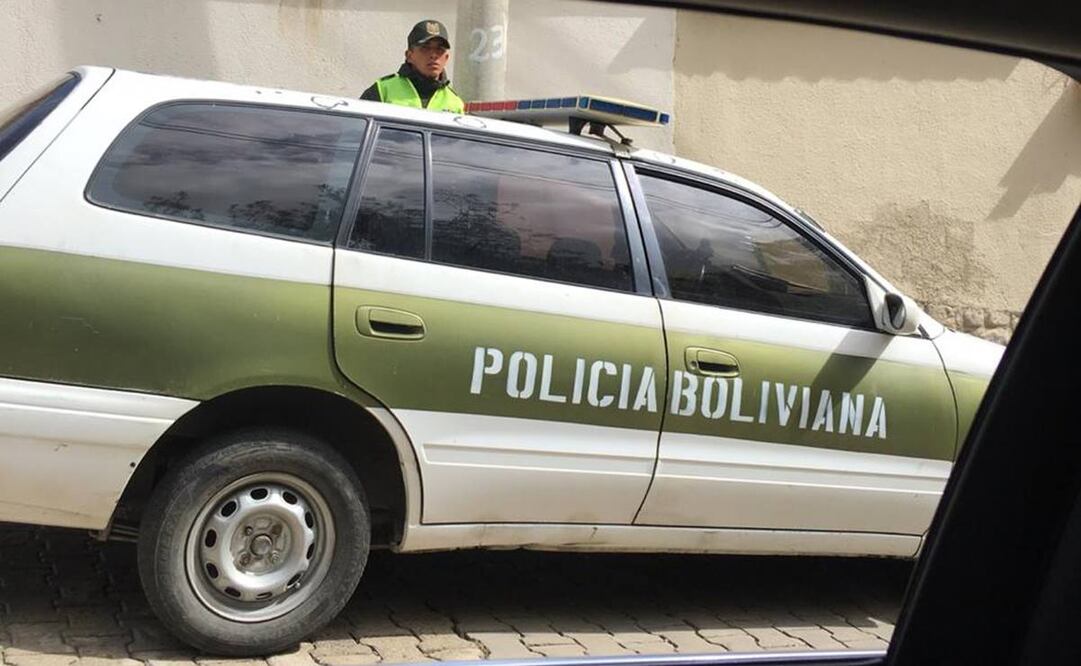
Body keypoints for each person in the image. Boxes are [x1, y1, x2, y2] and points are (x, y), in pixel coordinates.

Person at [361, 20, 465, 113]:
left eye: (439, 50)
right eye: (425, 48)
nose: (433, 55)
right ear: (409, 55)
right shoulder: (383, 90)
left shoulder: (455, 103)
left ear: (446, 58)